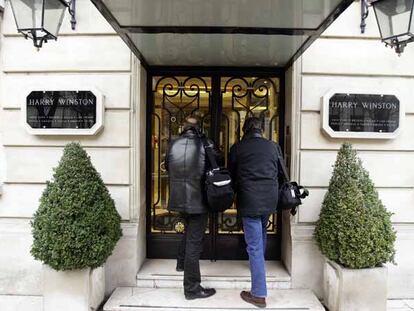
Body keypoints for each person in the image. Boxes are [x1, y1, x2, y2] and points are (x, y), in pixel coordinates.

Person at [228, 116, 283, 308]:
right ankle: (259, 270)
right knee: (260, 237)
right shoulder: (273, 146)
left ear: (245, 129)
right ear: (262, 130)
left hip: (249, 199)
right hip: (270, 199)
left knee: (254, 246)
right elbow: (280, 172)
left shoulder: (238, 148)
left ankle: (259, 294)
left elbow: (231, 175)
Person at [165, 116, 218, 300]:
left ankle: (181, 264)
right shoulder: (205, 143)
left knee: (187, 234)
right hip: (199, 201)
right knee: (194, 244)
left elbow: (167, 166)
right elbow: (215, 168)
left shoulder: (173, 144)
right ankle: (192, 289)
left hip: (179, 198)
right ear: (199, 128)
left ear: (184, 128)